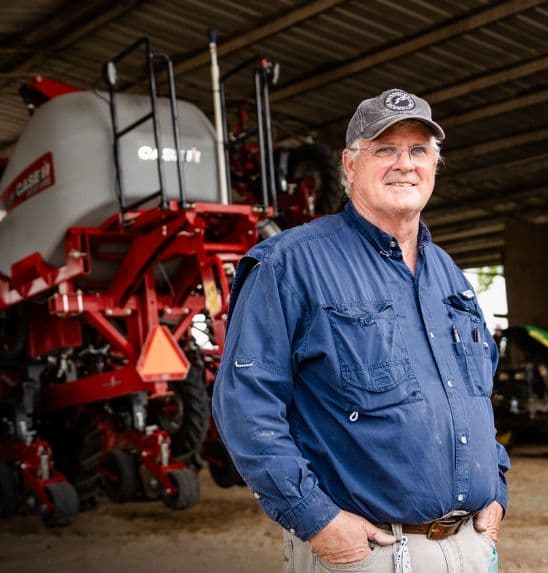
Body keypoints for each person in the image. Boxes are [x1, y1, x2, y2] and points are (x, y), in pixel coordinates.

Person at [212, 88, 509, 572]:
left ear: (434, 165)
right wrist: (317, 521)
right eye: (385, 149)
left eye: (418, 150)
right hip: (369, 555)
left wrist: (495, 490)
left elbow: (478, 395)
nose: (404, 164)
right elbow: (245, 404)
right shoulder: (290, 264)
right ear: (349, 165)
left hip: (471, 547)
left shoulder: (450, 275)